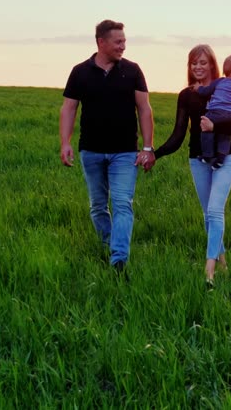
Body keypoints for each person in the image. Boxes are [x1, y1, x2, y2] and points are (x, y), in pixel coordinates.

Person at [59, 19, 155, 275]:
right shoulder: (80, 72)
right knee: (98, 205)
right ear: (101, 42)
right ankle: (107, 244)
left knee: (123, 203)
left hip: (125, 152)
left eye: (124, 41)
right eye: (118, 41)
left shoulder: (132, 71)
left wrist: (148, 147)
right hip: (90, 150)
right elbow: (69, 108)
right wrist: (65, 143)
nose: (123, 46)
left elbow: (144, 109)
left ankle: (118, 259)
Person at [154, 45, 231, 287]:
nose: (197, 67)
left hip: (225, 156)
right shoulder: (186, 95)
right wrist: (155, 154)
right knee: (208, 215)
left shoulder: (226, 87)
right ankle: (224, 264)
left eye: (203, 62)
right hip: (197, 158)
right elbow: (178, 134)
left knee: (216, 211)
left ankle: (209, 271)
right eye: (193, 63)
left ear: (212, 65)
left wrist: (215, 126)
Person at [194, 55, 231, 169]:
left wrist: (198, 88)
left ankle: (207, 155)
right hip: (229, 115)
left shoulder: (219, 81)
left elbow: (206, 91)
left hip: (214, 112)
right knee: (225, 135)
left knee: (206, 130)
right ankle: (220, 159)